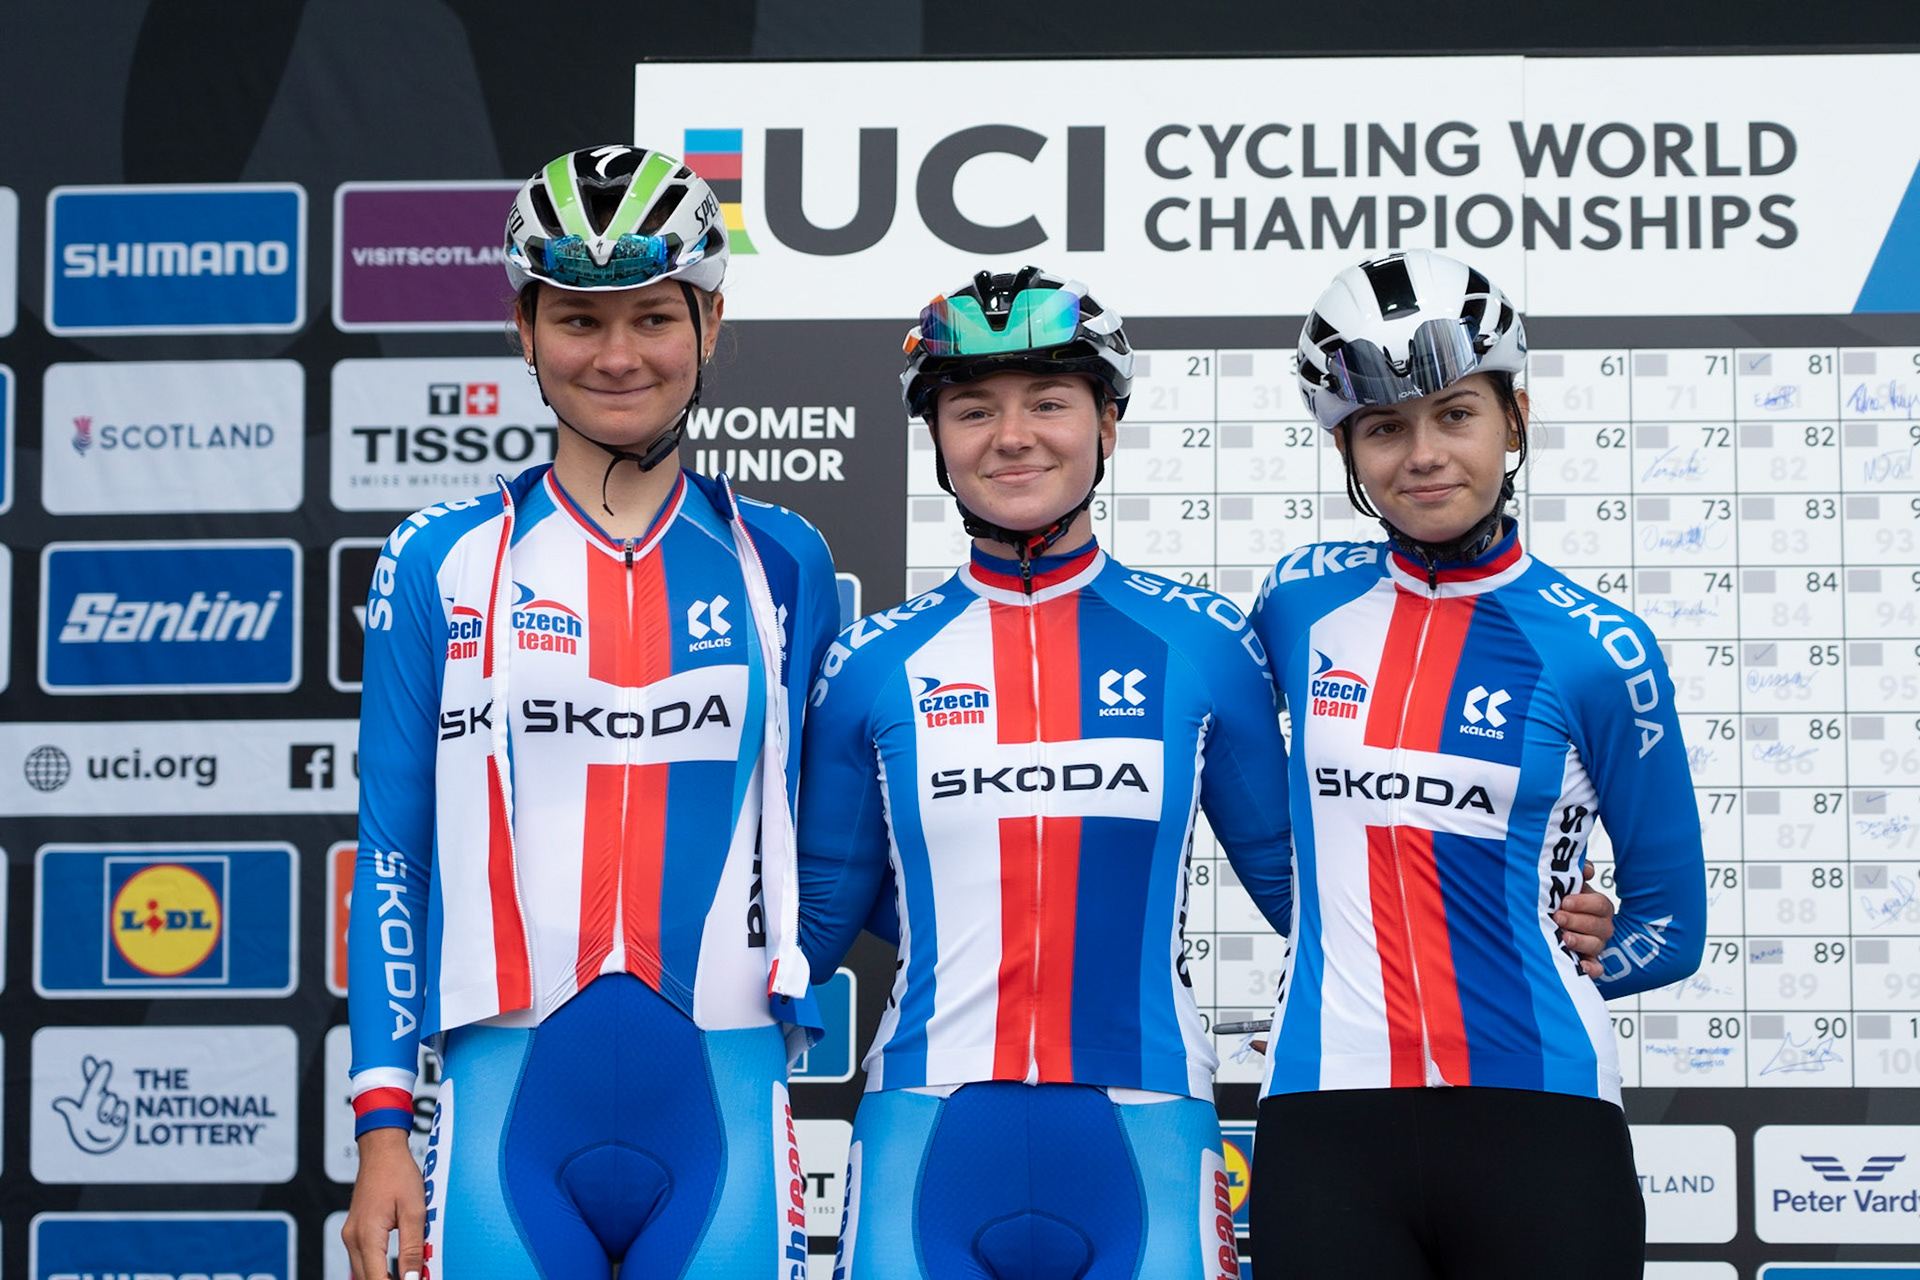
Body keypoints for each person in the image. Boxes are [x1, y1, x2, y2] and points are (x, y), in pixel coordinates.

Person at [342, 144, 837, 1280]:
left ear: (713, 325)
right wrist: (380, 1125)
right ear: (525, 333)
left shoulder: (785, 559)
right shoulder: (441, 558)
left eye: (654, 317)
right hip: (501, 1097)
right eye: (577, 319)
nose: (617, 355)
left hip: (724, 1088)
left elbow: (837, 840)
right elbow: (390, 857)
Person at [1246, 249, 1706, 1279]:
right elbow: (1229, 779)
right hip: (1328, 1118)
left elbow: (1673, 926)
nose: (1422, 453)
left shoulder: (1601, 646)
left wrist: (1590, 950)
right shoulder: (1297, 602)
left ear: (1516, 417)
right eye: (1383, 426)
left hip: (1541, 1122)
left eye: (1455, 413)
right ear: (1347, 449)